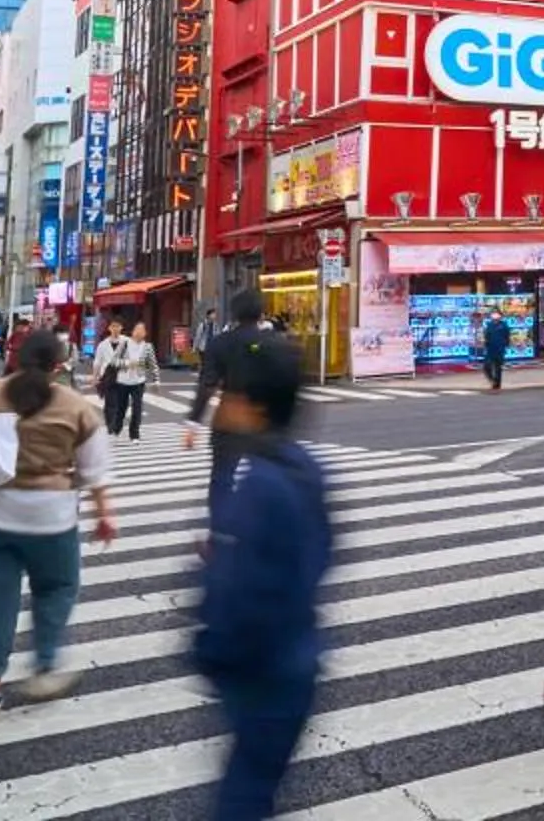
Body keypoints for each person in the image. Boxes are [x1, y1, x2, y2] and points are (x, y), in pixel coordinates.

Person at [0, 328, 117, 726]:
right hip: (48, 518)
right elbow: (94, 470)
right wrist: (104, 514)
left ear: (12, 357)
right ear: (58, 365)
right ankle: (45, 662)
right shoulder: (76, 407)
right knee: (57, 587)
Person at [197, 331, 332, 821]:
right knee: (255, 783)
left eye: (229, 395)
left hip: (262, 665)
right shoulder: (303, 466)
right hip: (296, 655)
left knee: (244, 794)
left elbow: (244, 588)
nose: (222, 405)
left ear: (252, 405)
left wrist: (211, 649)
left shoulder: (261, 483)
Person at [187, 291, 279, 523]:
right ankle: (260, 528)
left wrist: (193, 424)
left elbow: (207, 384)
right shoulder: (274, 343)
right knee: (266, 475)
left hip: (229, 418)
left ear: (234, 314)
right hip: (263, 419)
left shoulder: (220, 344)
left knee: (222, 476)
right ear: (260, 314)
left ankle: (220, 530)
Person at [103, 321, 157, 439]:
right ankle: (117, 427)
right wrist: (127, 363)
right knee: (122, 407)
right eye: (136, 329)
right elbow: (113, 361)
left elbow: (152, 364)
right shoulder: (124, 344)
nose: (138, 332)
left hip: (139, 381)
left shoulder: (148, 347)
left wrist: (156, 380)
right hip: (123, 381)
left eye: (141, 330)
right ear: (132, 332)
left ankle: (134, 434)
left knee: (137, 408)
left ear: (145, 334)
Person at [481, 308, 512, 392]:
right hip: (490, 348)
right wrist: (485, 344)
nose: (495, 316)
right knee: (486, 366)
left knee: (498, 367)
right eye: (493, 314)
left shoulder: (504, 325)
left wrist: (506, 345)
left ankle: (497, 385)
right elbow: (486, 335)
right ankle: (493, 380)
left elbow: (507, 336)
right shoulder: (489, 325)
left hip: (500, 349)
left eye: (497, 314)